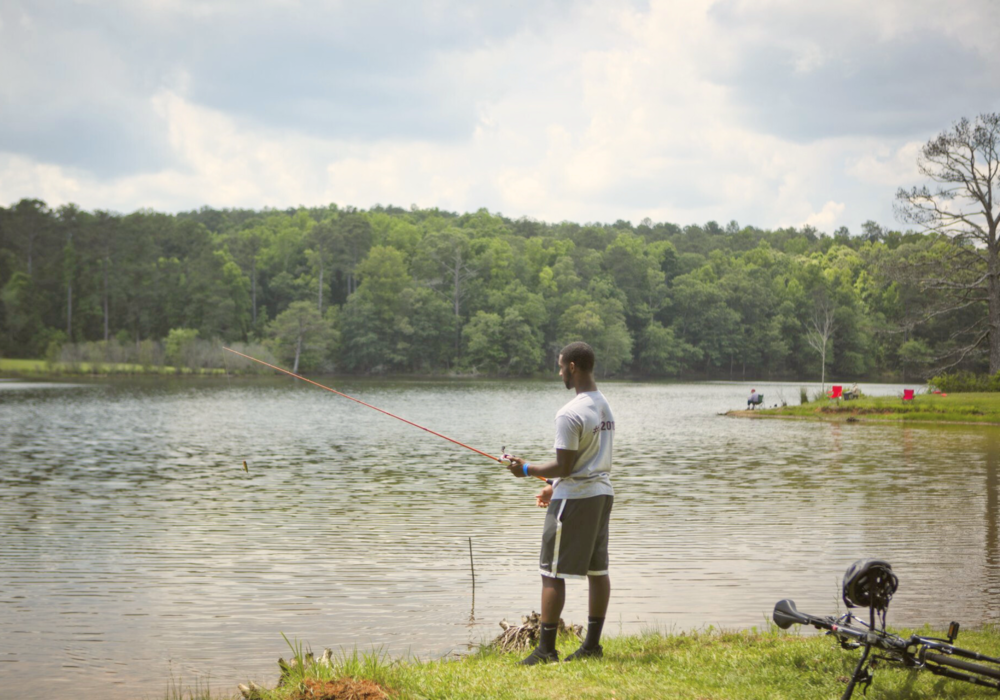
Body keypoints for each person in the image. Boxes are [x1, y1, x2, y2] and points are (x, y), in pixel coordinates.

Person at [506, 341, 615, 665]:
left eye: (560, 366)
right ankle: (592, 646)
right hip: (601, 493)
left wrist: (526, 469)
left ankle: (546, 650)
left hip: (576, 500)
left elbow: (565, 466)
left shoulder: (570, 412)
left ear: (572, 367)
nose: (558, 372)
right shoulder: (603, 404)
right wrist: (554, 486)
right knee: (598, 570)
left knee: (550, 573)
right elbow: (587, 461)